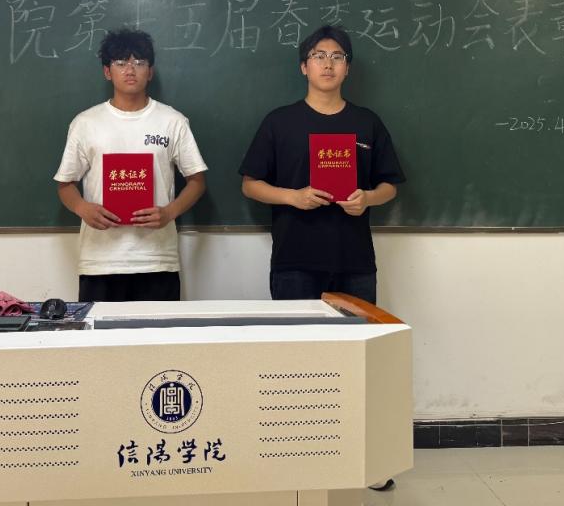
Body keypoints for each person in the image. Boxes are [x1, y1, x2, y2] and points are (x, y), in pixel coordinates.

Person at [239, 24, 405, 304]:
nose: (328, 64)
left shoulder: (367, 122)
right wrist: (293, 197)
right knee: (297, 335)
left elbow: (389, 186)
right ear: (304, 67)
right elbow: (250, 185)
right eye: (319, 56)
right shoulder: (279, 122)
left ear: (347, 68)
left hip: (355, 261)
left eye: (337, 57)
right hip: (294, 261)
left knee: (356, 334)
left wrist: (367, 198)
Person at [54, 28, 207, 302]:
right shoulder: (85, 123)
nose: (130, 69)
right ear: (107, 71)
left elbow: (197, 181)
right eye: (121, 62)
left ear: (150, 72)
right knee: (99, 332)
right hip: (100, 261)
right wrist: (82, 208)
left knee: (159, 331)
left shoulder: (172, 121)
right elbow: (65, 184)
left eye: (139, 62)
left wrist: (169, 212)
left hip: (157, 259)